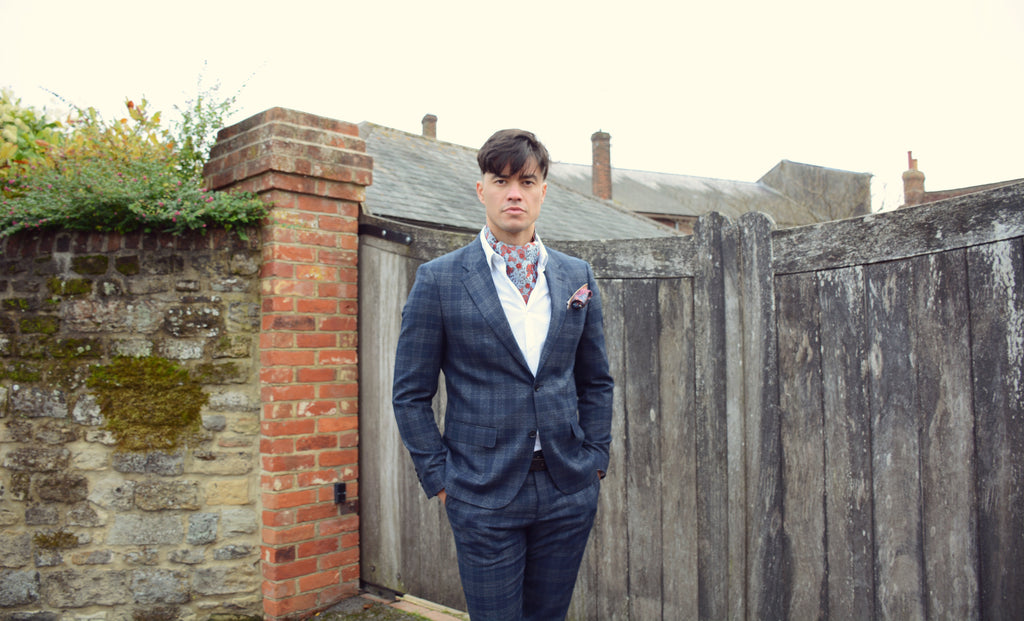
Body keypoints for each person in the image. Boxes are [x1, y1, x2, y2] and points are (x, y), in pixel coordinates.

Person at [392, 128, 614, 620]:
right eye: (501, 180)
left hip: (567, 488)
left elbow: (596, 379)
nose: (515, 192)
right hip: (482, 493)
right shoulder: (440, 279)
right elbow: (410, 394)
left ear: (542, 191)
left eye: (527, 181)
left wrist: (595, 458)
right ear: (482, 190)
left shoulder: (576, 277)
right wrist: (441, 478)